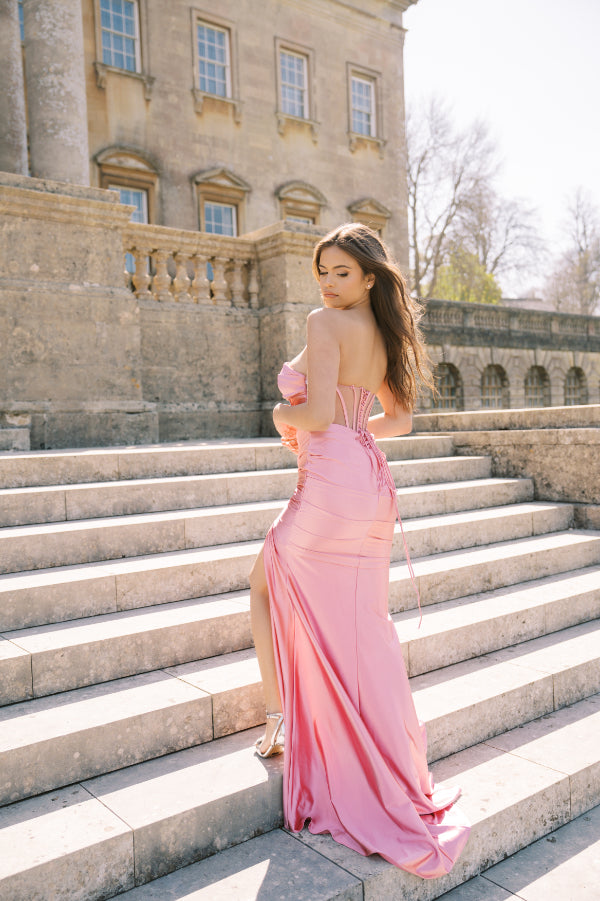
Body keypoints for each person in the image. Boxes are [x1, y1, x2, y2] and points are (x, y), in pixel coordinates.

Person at [249, 223, 470, 878]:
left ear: (369, 276)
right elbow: (396, 420)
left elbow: (313, 413)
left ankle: (278, 717)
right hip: (369, 482)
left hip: (331, 483)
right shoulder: (385, 332)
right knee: (364, 622)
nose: (328, 281)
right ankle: (380, 756)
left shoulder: (324, 323)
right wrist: (349, 429)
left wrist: (278, 418)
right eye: (323, 270)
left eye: (342, 270)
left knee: (266, 584)